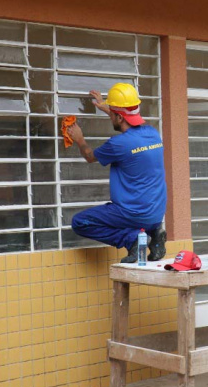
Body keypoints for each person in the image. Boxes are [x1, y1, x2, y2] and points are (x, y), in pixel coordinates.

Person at [67, 83, 168, 263]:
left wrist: (79, 139)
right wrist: (106, 107)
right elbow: (126, 119)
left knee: (80, 222)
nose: (110, 116)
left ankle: (132, 239)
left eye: (112, 114)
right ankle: (155, 233)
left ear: (119, 117)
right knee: (143, 216)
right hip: (156, 213)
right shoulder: (153, 134)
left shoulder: (118, 144)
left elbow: (90, 156)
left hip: (133, 214)